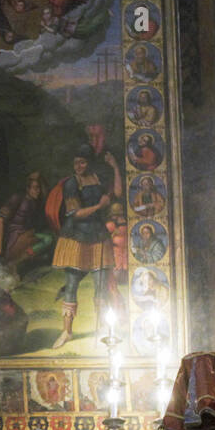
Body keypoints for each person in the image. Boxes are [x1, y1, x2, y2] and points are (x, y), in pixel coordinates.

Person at [47, 147, 121, 347]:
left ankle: (103, 328)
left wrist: (115, 167)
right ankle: (67, 331)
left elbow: (117, 193)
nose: (78, 167)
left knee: (100, 286)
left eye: (82, 162)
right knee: (71, 285)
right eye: (75, 163)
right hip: (77, 236)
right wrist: (99, 206)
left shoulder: (98, 178)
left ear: (89, 163)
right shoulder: (72, 183)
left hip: (98, 235)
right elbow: (75, 213)